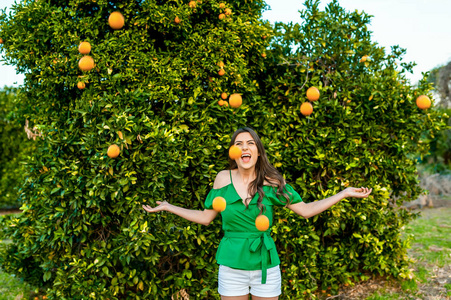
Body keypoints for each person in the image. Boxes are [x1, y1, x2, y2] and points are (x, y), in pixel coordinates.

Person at [142, 127, 372, 300]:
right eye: (239, 143)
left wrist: (343, 193)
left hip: (266, 265)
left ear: (258, 152)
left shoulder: (272, 181)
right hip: (231, 266)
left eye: (250, 143)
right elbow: (205, 217)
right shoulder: (222, 178)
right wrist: (169, 206)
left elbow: (305, 210)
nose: (244, 147)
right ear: (233, 152)